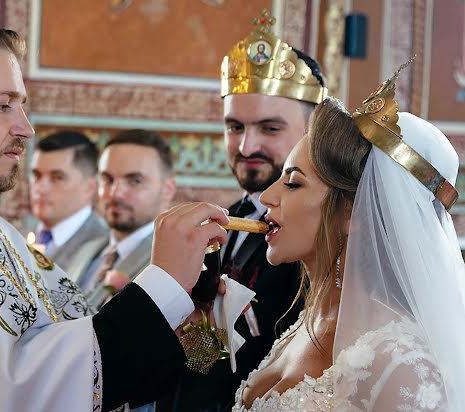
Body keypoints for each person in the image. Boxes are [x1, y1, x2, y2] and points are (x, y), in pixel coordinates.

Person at [0, 22, 231, 411]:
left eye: (22, 106)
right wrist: (162, 283)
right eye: (3, 105)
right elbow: (11, 392)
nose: (25, 127)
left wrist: (195, 323)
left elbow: (83, 354)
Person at [232, 63, 465, 411]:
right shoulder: (304, 323)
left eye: (293, 183)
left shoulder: (402, 363)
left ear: (352, 212)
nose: (266, 197)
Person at [158, 11, 328, 411]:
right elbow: (215, 364)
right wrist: (192, 331)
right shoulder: (224, 219)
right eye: (234, 127)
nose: (246, 146)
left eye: (269, 129)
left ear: (312, 130)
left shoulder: (321, 233)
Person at [69, 129, 177, 313]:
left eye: (135, 181)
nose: (115, 193)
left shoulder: (173, 263)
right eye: (107, 179)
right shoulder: (84, 250)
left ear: (167, 189)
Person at [29, 130, 108, 272]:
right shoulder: (18, 236)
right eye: (37, 175)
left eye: (57, 177)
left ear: (89, 187)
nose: (40, 189)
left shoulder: (103, 250)